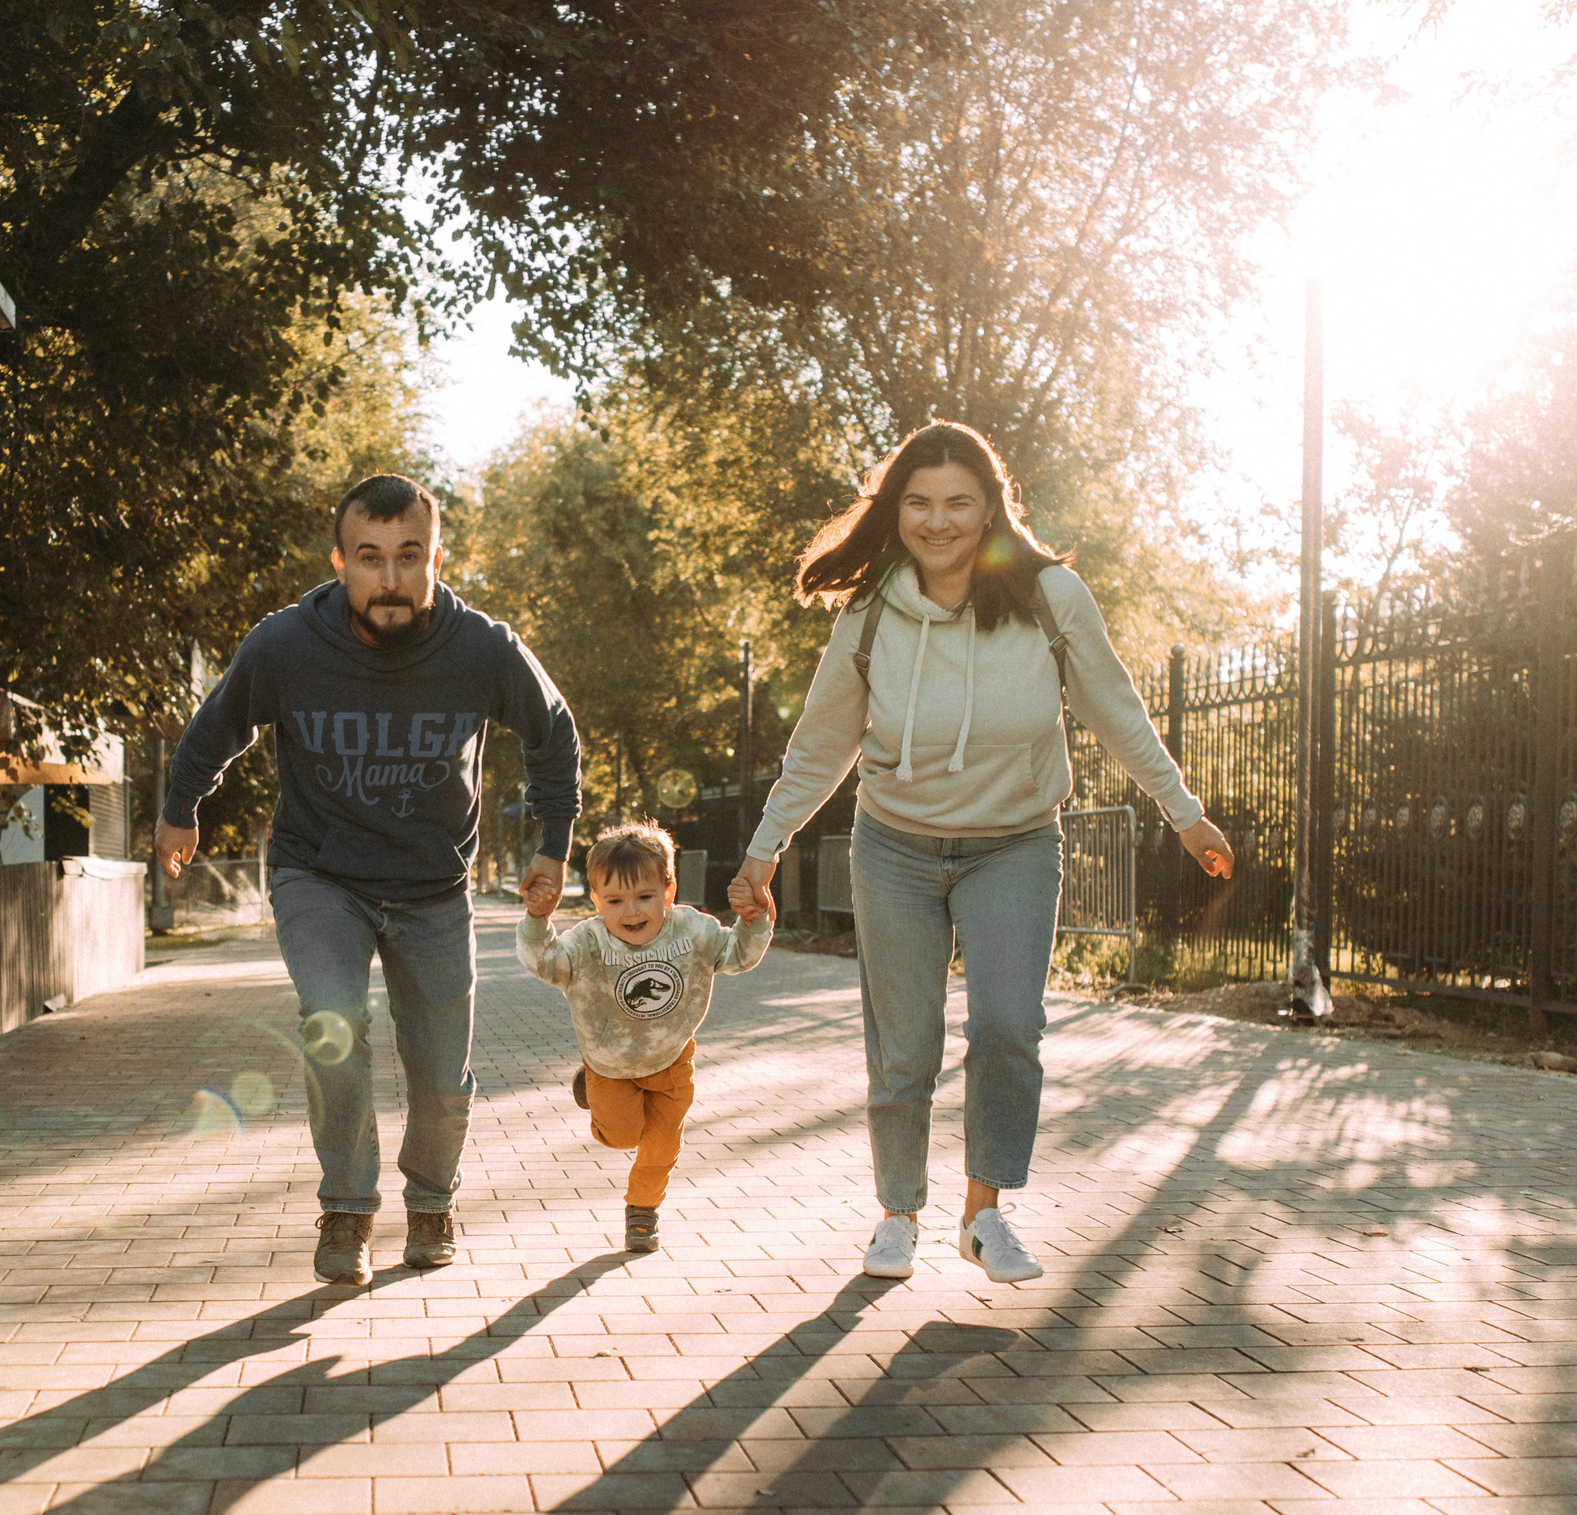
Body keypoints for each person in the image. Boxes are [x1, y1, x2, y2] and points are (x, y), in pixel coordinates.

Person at [727, 422, 1233, 1285]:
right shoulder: (872, 609)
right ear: (896, 511)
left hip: (1016, 844)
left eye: (958, 501)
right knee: (904, 1045)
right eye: (918, 502)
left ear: (991, 506)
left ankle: (984, 1212)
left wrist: (1184, 812)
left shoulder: (1049, 597)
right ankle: (897, 1214)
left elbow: (1118, 709)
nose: (938, 520)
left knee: (1007, 1025)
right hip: (894, 846)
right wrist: (764, 848)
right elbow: (821, 742)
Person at [155, 474, 581, 1285]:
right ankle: (347, 1208)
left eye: (408, 557)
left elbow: (553, 735)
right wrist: (182, 807)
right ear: (341, 560)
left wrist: (553, 844)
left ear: (435, 558)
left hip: (433, 886)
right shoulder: (285, 644)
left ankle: (430, 1203)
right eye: (370, 557)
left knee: (441, 1076)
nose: (390, 579)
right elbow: (219, 725)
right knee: (333, 1019)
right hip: (321, 874)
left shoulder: (483, 647)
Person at [518, 823, 772, 1252]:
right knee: (620, 1135)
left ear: (668, 892)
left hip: (671, 1059)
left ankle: (643, 1211)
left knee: (662, 1144)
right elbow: (544, 962)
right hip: (609, 1064)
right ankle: (593, 1092)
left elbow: (738, 955)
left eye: (645, 897)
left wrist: (754, 921)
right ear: (596, 902)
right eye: (614, 901)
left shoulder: (693, 931)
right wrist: (537, 920)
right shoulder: (587, 943)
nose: (630, 912)